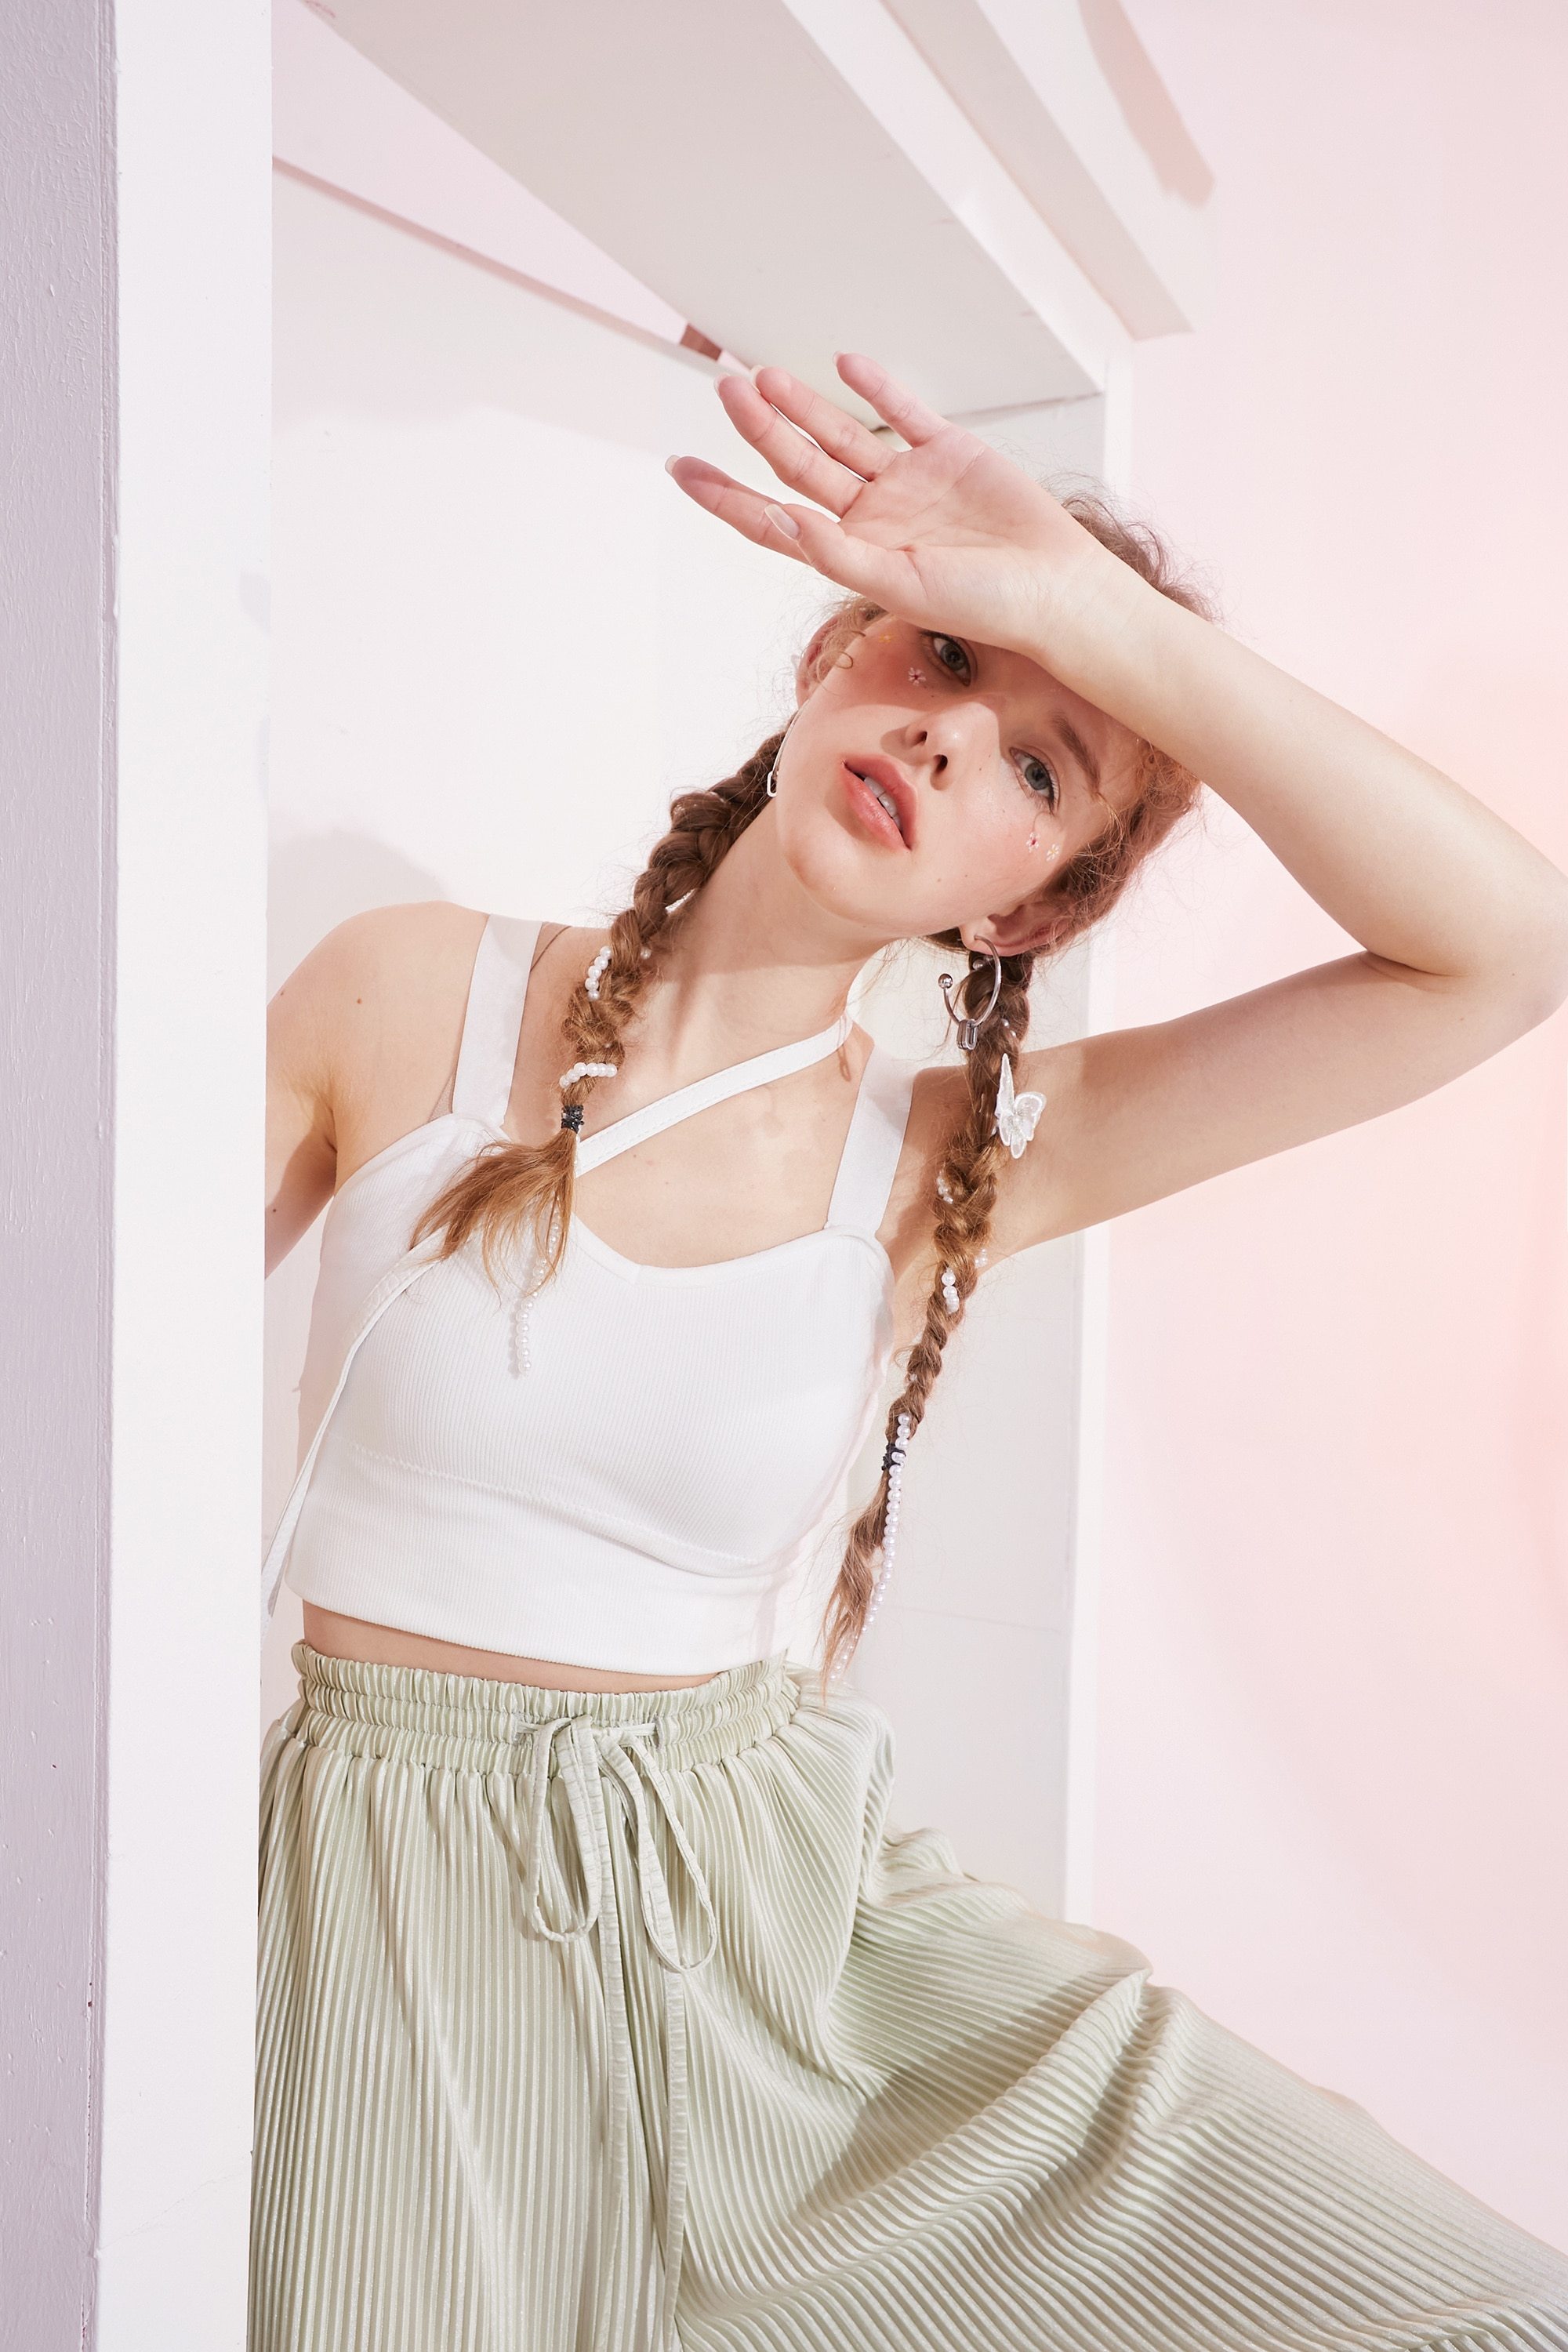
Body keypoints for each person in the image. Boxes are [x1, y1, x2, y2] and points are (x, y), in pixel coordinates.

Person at [256, 352, 1568, 2352]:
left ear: (1028, 918)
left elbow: (1501, 948)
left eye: (1043, 770)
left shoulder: (954, 1165)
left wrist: (1093, 622)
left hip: (793, 1952)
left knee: (1455, 2307)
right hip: (383, 1917)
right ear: (832, 649)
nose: (955, 743)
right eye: (946, 656)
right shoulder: (403, 988)